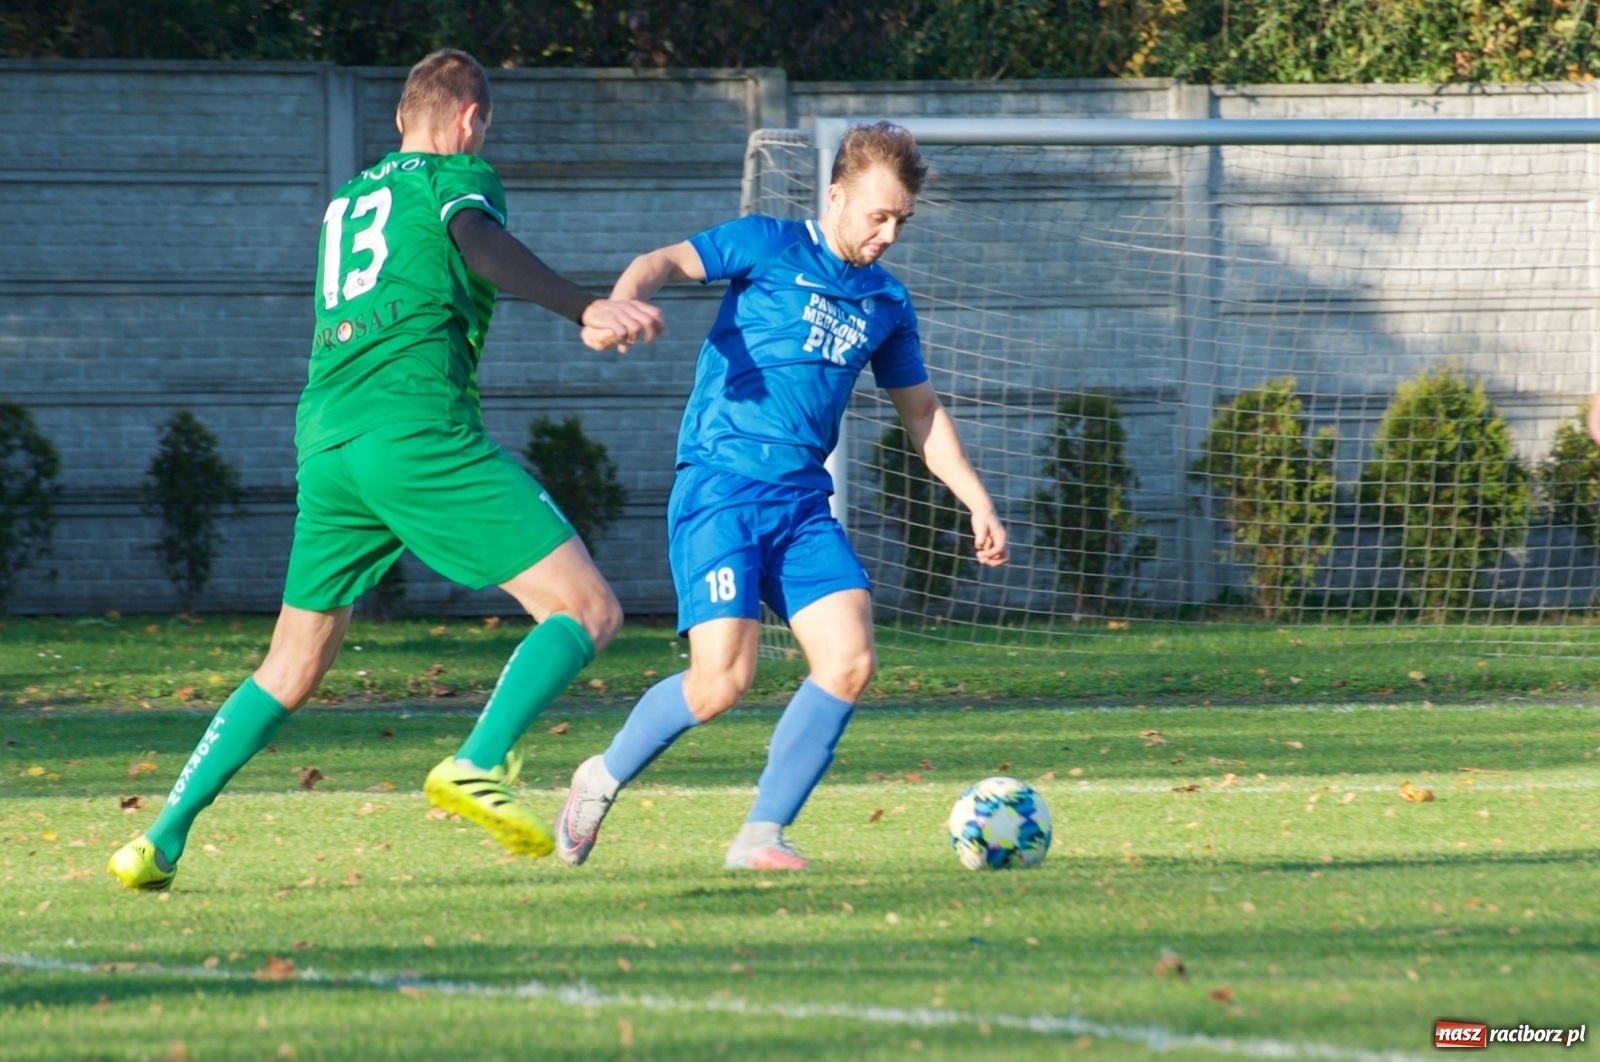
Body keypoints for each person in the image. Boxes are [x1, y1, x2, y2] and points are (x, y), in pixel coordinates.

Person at [108, 49, 662, 891]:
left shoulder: (348, 200)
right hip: (414, 429)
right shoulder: (456, 178)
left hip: (328, 446)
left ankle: (161, 839)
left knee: (291, 664)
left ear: (404, 116)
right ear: (469, 119)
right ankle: (479, 760)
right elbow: (476, 240)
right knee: (587, 608)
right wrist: (585, 305)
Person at [555, 121, 1009, 872]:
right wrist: (620, 304)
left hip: (801, 506)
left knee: (849, 658)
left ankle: (760, 836)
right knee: (721, 681)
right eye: (877, 215)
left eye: (901, 220)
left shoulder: (886, 303)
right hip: (721, 489)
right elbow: (661, 259)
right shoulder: (767, 244)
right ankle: (598, 779)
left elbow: (922, 413)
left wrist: (976, 500)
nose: (889, 234)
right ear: (836, 195)